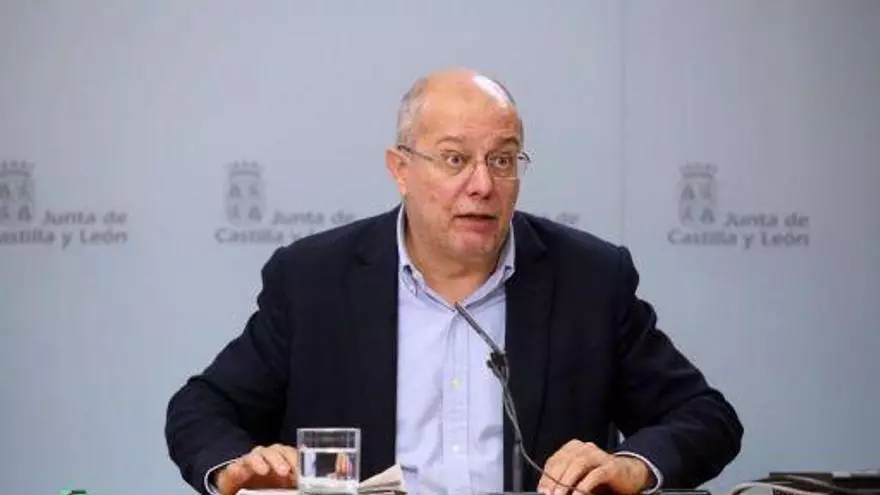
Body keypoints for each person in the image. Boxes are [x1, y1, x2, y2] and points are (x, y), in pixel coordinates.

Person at [165, 67, 743, 495]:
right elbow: (200, 409)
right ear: (401, 169)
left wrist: (633, 467)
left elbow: (705, 416)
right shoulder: (314, 280)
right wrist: (238, 468)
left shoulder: (588, 280)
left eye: (503, 159)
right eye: (454, 159)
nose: (482, 185)